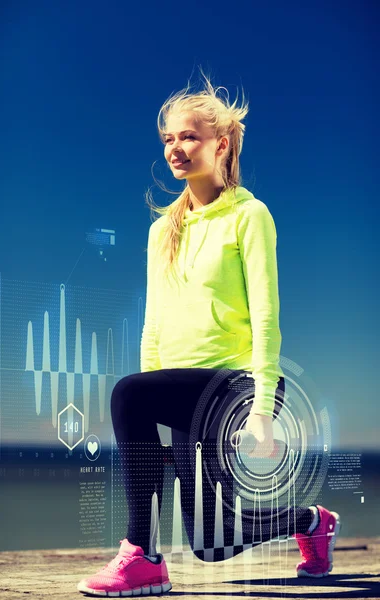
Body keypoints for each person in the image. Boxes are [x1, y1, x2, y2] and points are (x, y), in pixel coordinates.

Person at [77, 70, 340, 597]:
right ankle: (312, 522)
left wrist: (264, 410)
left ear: (220, 144)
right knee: (209, 543)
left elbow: (267, 316)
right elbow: (154, 324)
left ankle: (142, 557)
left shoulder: (250, 216)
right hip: (184, 390)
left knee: (126, 392)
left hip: (237, 386)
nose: (176, 148)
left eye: (188, 137)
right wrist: (155, 406)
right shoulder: (161, 231)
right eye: (168, 139)